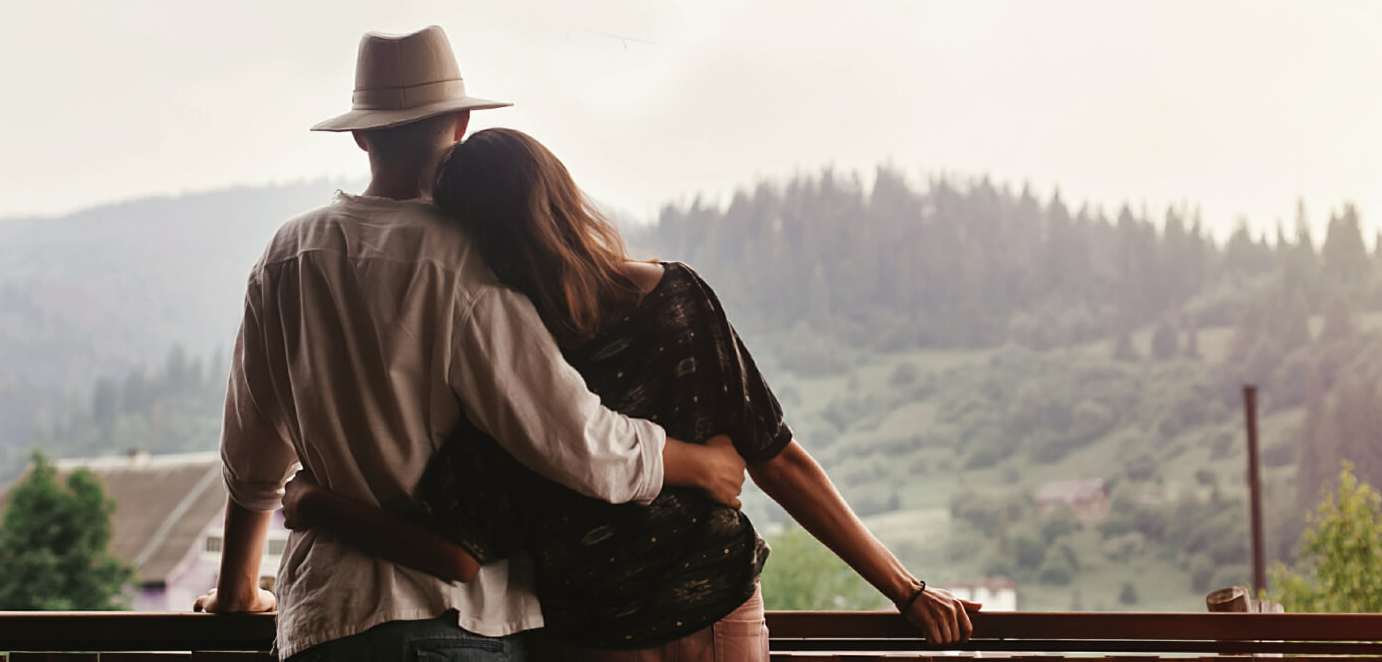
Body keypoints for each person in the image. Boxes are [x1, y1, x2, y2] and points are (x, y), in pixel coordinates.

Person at [281, 128, 981, 661]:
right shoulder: (674, 300)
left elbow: (457, 549)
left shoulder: (506, 363)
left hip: (591, 636)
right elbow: (778, 459)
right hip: (717, 611)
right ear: (557, 194)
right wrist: (906, 590)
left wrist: (315, 501)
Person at [194, 26, 747, 662]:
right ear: (458, 125)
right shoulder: (468, 260)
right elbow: (574, 440)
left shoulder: (284, 257)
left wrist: (237, 594)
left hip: (323, 623)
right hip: (457, 621)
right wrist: (695, 463)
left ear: (361, 133)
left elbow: (251, 459)